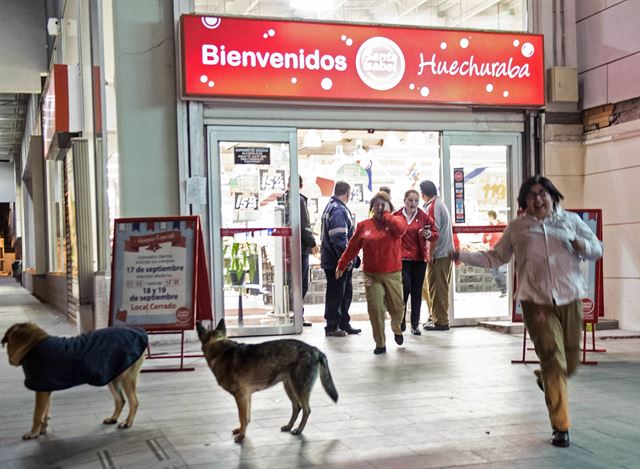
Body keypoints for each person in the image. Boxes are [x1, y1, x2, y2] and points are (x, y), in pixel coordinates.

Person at [450, 175, 603, 448]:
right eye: (532, 195)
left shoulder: (570, 222)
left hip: (570, 298)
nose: (538, 199)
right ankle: (561, 426)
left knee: (569, 361)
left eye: (542, 193)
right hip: (536, 302)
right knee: (553, 360)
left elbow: (597, 249)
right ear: (524, 202)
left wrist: (582, 246)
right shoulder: (517, 229)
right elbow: (495, 258)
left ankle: (546, 379)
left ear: (552, 196)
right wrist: (463, 256)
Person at [336, 191, 407, 354]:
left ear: (390, 207)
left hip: (393, 274)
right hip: (371, 275)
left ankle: (396, 326)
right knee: (375, 309)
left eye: (384, 204)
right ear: (372, 208)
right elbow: (352, 247)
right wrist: (342, 264)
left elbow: (400, 230)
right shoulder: (364, 225)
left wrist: (387, 216)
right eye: (377, 205)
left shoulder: (397, 222)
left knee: (397, 307)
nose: (380, 208)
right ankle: (380, 343)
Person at [393, 189, 439, 335]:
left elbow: (435, 233)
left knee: (417, 292)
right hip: (401, 260)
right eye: (409, 200)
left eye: (415, 201)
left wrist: (429, 234)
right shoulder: (396, 216)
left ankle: (414, 325)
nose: (412, 203)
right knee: (404, 289)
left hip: (419, 259)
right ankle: (400, 320)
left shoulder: (424, 217)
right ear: (404, 201)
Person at [320, 181, 361, 337]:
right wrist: (346, 260)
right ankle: (332, 326)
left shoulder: (330, 206)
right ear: (348, 194)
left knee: (341, 293)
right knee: (337, 294)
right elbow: (339, 238)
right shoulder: (339, 210)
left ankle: (343, 323)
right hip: (337, 262)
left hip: (331, 259)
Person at [281, 176, 318, 327]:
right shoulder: (299, 200)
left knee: (290, 282)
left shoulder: (282, 199)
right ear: (301, 185)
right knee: (301, 283)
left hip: (285, 247)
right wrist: (313, 243)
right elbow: (304, 225)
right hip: (300, 248)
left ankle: (293, 315)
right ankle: (297, 316)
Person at [419, 180, 454, 331]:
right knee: (439, 288)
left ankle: (440, 321)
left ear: (422, 194)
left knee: (437, 289)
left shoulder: (432, 207)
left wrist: (430, 254)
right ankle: (438, 318)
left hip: (439, 254)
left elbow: (434, 233)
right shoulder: (440, 204)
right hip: (445, 253)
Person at [482, 210, 507, 297]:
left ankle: (505, 289)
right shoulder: (488, 227)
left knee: (500, 270)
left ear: (492, 216)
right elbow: (484, 240)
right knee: (494, 273)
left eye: (488, 217)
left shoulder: (503, 225)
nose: (487, 219)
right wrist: (487, 238)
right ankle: (503, 289)